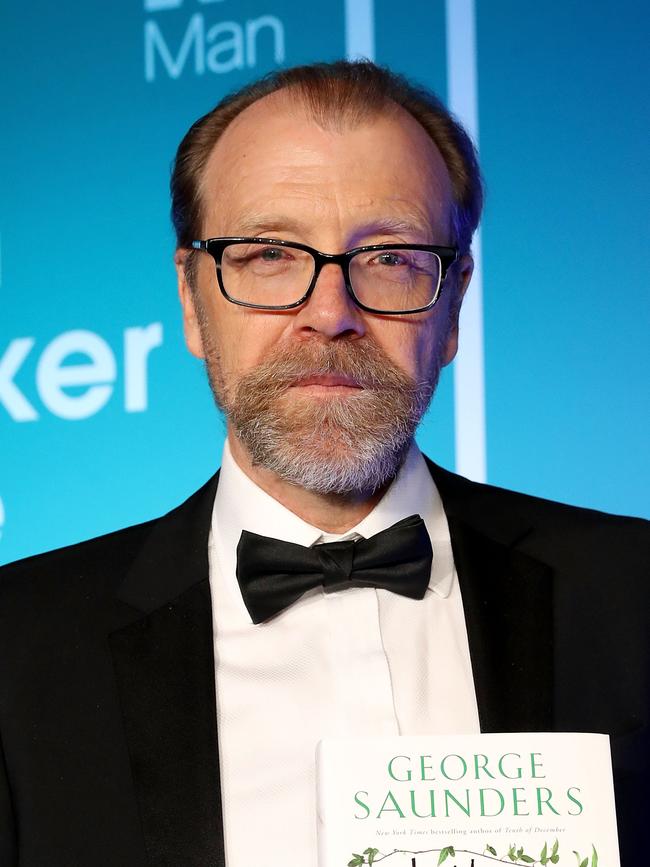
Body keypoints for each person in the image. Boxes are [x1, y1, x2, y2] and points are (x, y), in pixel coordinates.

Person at [0, 61, 647, 867]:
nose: (329, 314)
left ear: (453, 306)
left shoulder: (635, 595)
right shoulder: (15, 652)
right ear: (192, 298)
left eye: (390, 257)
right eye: (270, 253)